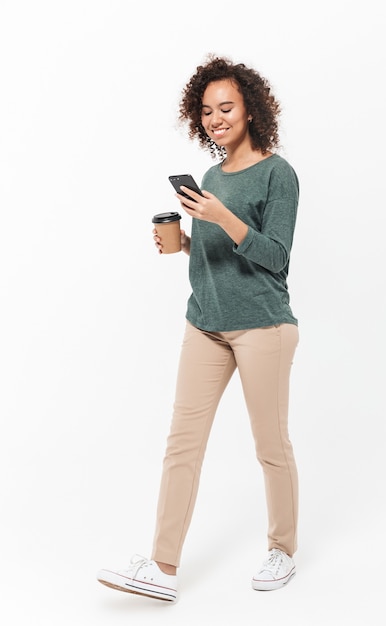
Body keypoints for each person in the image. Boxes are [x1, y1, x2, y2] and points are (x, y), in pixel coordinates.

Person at [97, 54, 300, 603]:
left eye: (227, 107)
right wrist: (186, 242)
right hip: (205, 325)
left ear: (251, 111)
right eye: (207, 111)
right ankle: (162, 567)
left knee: (270, 446)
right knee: (181, 445)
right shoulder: (210, 177)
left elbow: (275, 257)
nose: (216, 119)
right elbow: (216, 256)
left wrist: (220, 217)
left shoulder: (278, 174)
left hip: (262, 325)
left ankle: (282, 549)